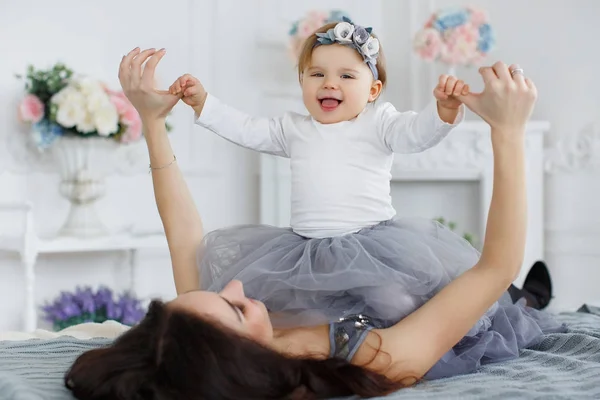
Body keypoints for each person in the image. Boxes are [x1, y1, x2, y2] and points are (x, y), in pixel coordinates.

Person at [65, 36, 566, 400]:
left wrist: (152, 120)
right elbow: (494, 266)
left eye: (217, 293)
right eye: (237, 309)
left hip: (372, 250)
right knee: (504, 305)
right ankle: (531, 300)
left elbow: (183, 232)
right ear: (242, 360)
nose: (238, 287)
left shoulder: (198, 329)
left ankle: (527, 296)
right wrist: (509, 130)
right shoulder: (373, 355)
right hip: (420, 301)